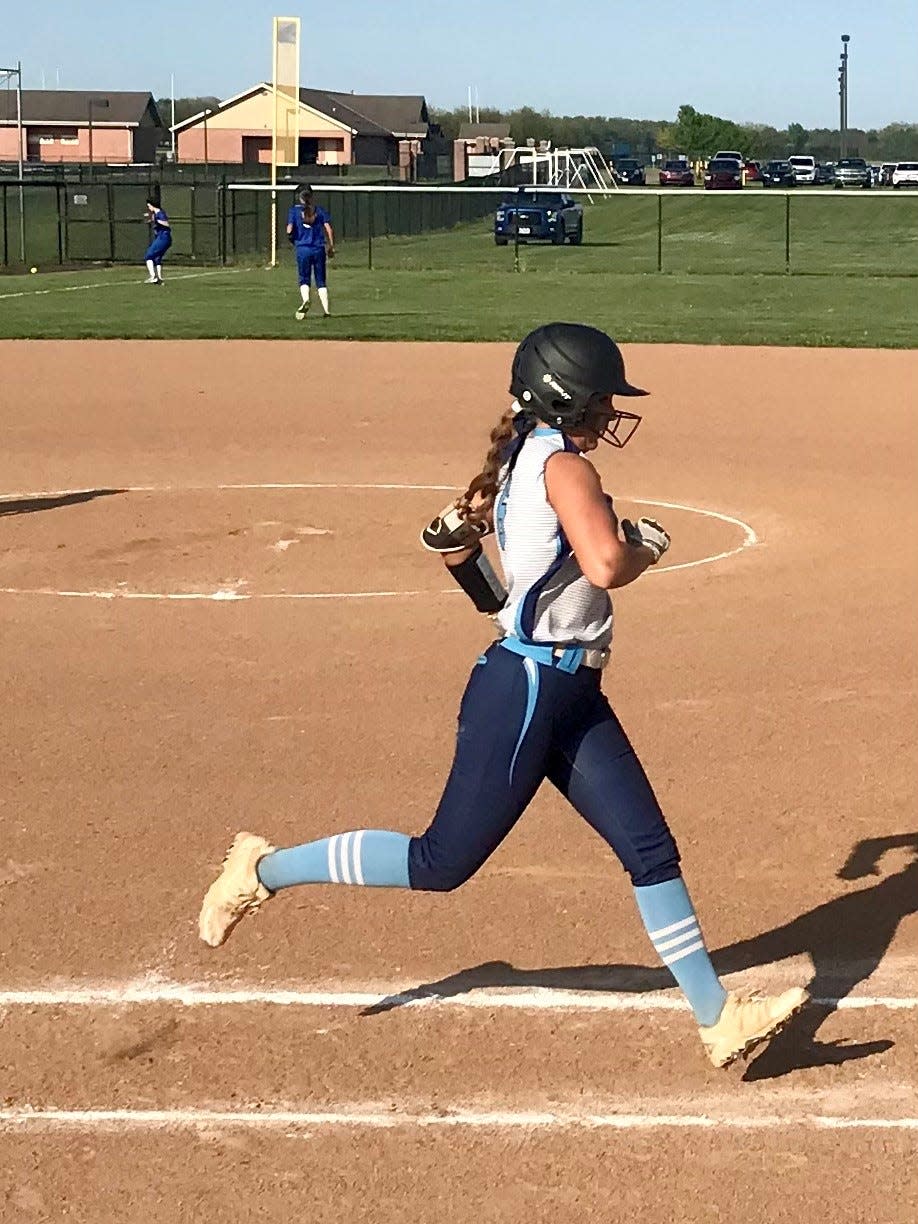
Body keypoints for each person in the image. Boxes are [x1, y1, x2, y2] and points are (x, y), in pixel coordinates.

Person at [198, 322, 808, 1069]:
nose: (610, 411)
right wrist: (643, 545)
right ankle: (261, 871)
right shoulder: (563, 467)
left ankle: (718, 1018)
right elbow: (607, 564)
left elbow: (449, 542)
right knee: (440, 862)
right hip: (527, 688)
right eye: (601, 397)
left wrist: (506, 595)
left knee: (649, 850)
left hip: (571, 688)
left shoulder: (526, 453)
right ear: (566, 397)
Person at [286, 184, 334, 320]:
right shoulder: (319, 210)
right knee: (321, 280)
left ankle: (306, 300)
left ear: (299, 197)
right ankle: (326, 310)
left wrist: (292, 237)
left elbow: (289, 230)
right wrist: (331, 246)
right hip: (318, 249)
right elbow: (329, 228)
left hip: (303, 249)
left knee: (304, 278)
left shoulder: (294, 212)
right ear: (311, 196)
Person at [143, 196, 171, 285]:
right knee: (157, 258)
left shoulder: (160, 213)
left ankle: (153, 277)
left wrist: (157, 221)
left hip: (163, 238)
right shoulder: (155, 214)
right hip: (163, 238)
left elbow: (166, 224)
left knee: (148, 256)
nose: (148, 208)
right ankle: (159, 277)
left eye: (149, 206)